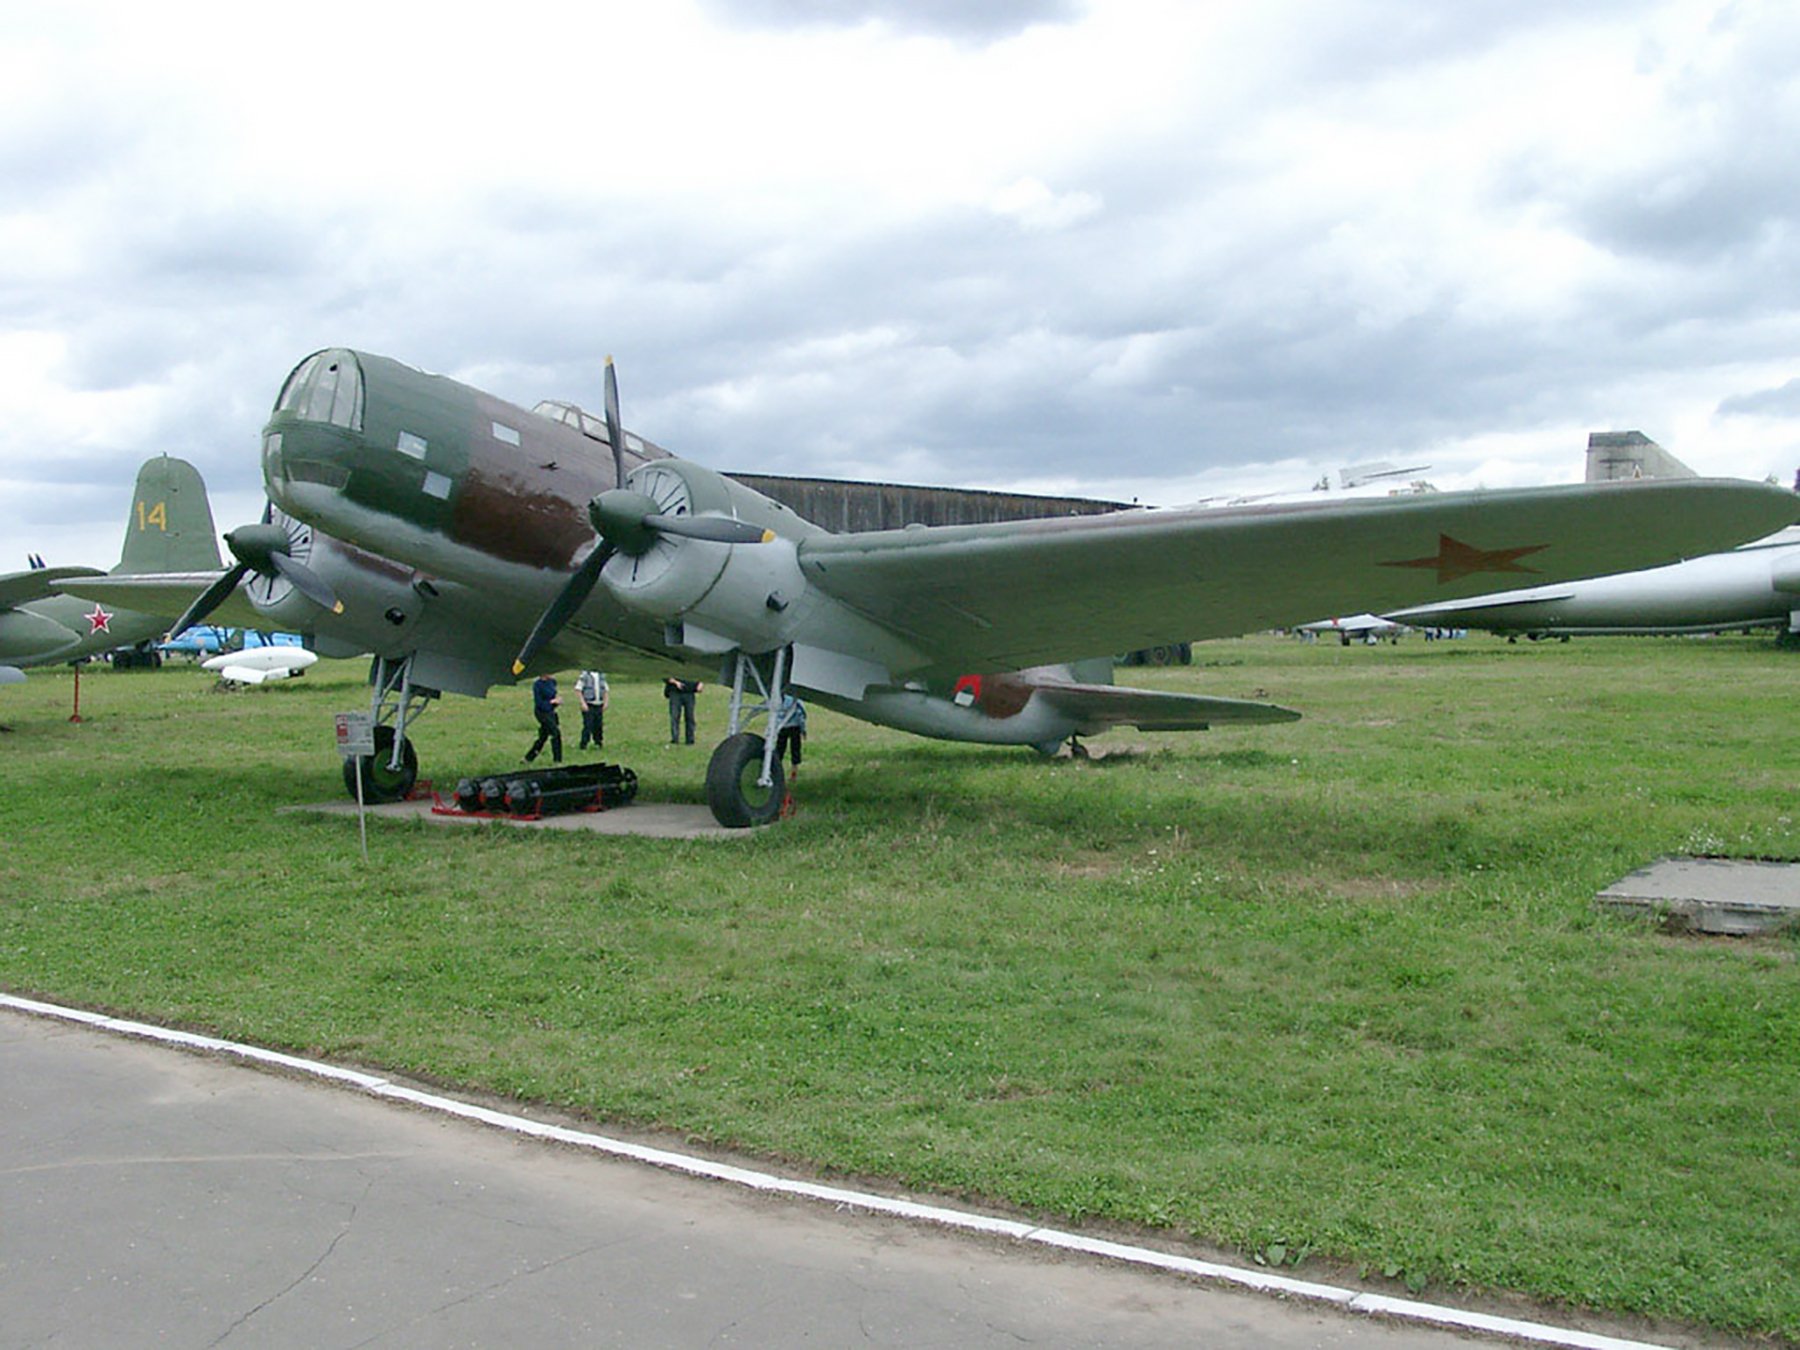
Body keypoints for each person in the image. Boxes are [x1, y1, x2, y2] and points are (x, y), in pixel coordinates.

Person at [524, 673, 562, 763]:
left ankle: (528, 758)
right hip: (541, 713)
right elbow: (539, 703)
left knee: (543, 737)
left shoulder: (552, 682)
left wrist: (558, 701)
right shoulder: (537, 685)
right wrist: (552, 702)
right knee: (555, 733)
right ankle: (557, 760)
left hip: (551, 712)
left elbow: (554, 694)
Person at [576, 668, 608, 751]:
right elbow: (578, 689)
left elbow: (605, 690)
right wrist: (582, 703)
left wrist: (605, 702)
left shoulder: (601, 675)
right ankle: (584, 744)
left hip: (599, 704)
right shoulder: (585, 675)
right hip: (589, 704)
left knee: (598, 725)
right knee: (588, 725)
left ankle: (598, 742)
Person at [664, 676, 702, 744]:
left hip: (689, 691)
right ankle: (675, 738)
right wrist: (675, 682)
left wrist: (700, 683)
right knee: (675, 716)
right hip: (675, 692)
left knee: (690, 717)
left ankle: (690, 739)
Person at [775, 693, 806, 768]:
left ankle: (776, 767)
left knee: (780, 749)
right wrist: (803, 729)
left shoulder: (778, 698)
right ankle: (794, 769)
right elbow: (800, 714)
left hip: (782, 726)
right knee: (795, 748)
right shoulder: (795, 698)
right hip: (795, 727)